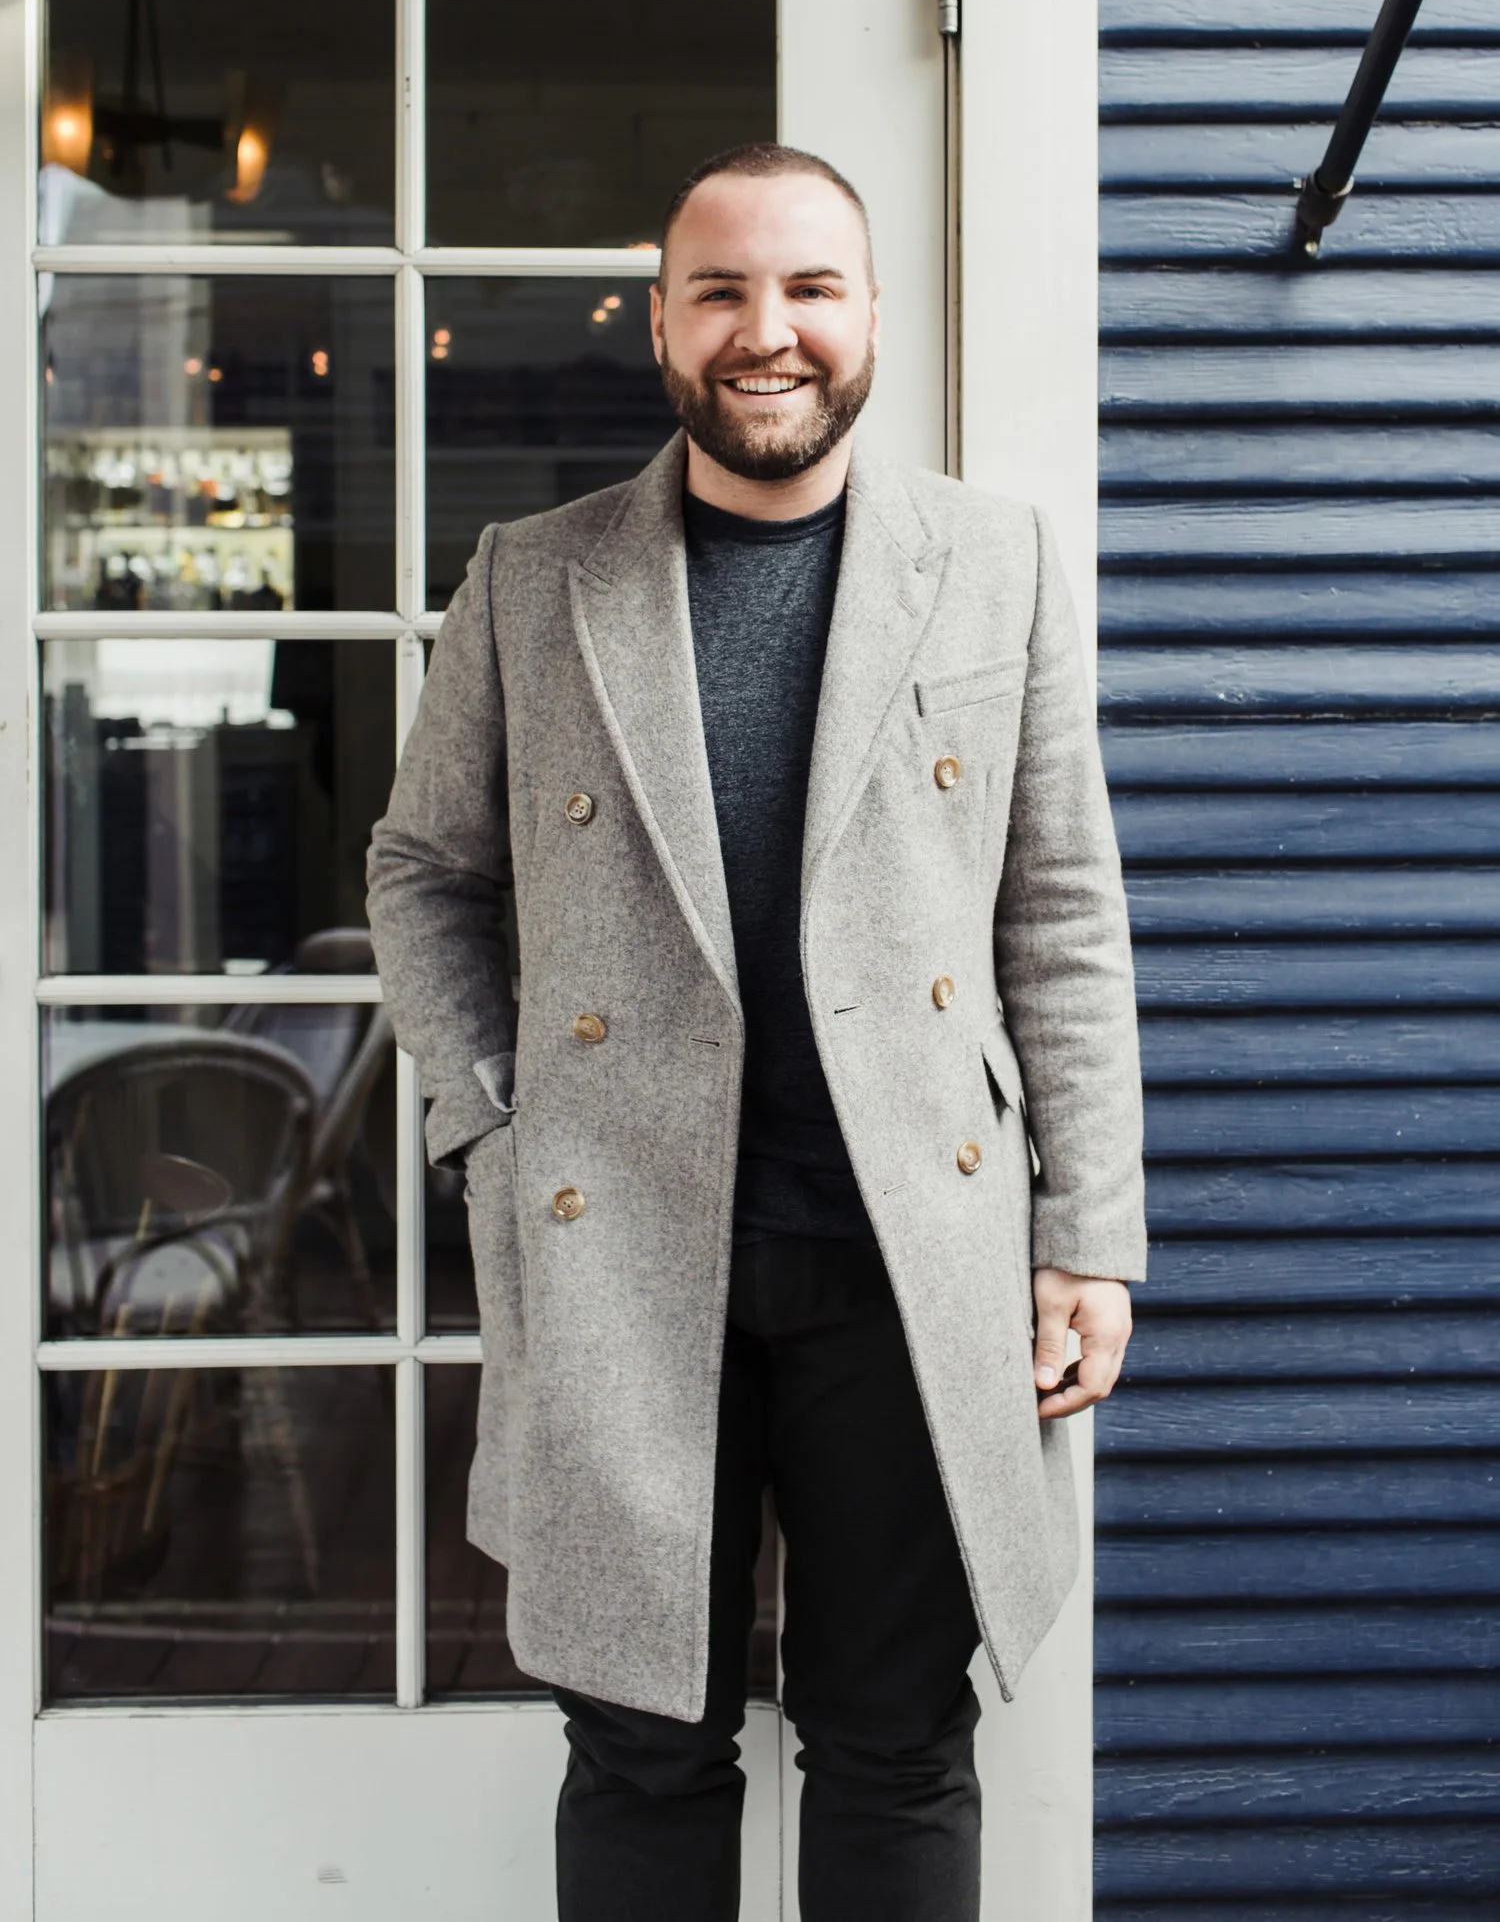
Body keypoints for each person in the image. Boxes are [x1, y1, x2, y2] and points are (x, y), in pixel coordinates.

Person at [366, 142, 1145, 1922]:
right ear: (662, 323)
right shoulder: (534, 578)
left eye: (808, 287)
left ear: (871, 315)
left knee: (897, 1743)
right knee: (641, 1748)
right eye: (720, 290)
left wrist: (1092, 1228)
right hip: (625, 1255)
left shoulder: (997, 565)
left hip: (913, 1253)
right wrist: (494, 1115)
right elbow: (422, 869)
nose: (765, 329)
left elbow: (1061, 912)